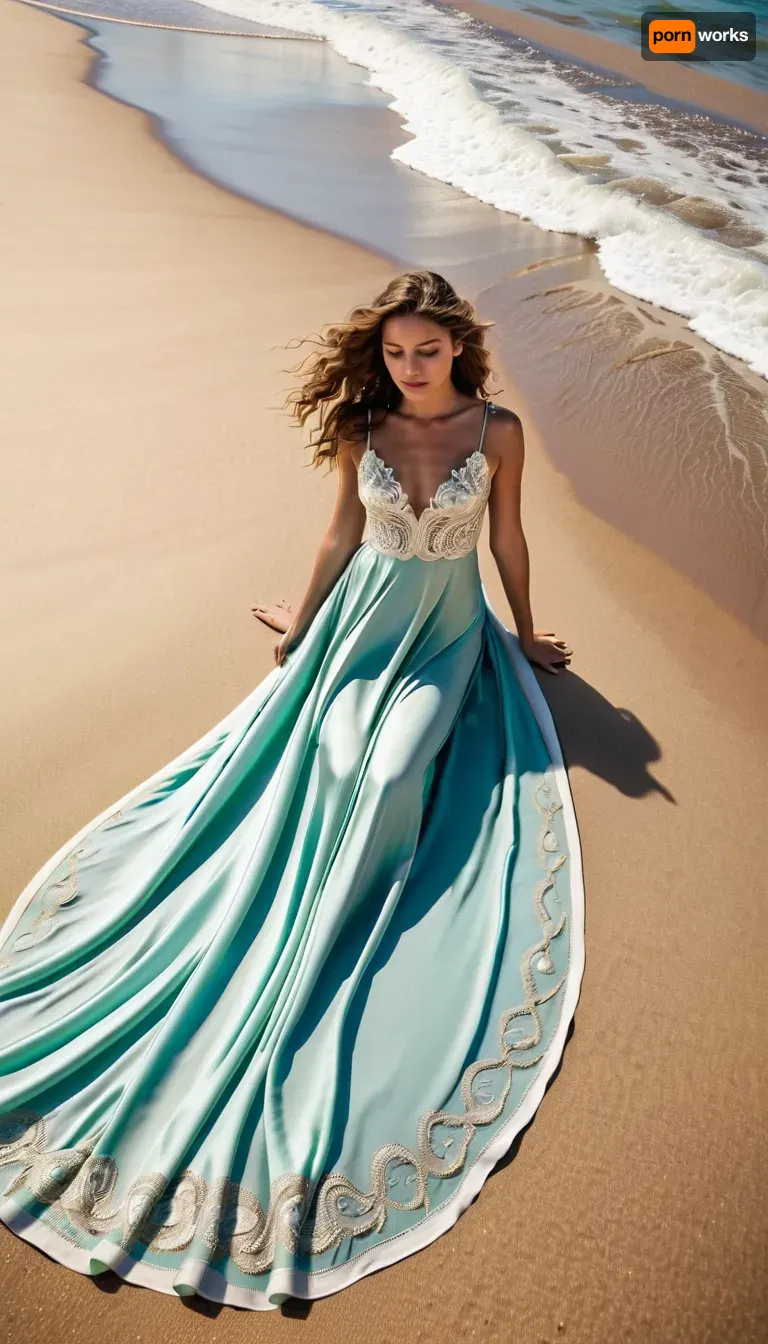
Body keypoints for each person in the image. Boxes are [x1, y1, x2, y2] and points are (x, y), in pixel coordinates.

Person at [0, 271, 585, 1312]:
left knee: (394, 768)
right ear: (383, 355)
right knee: (322, 755)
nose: (413, 367)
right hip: (359, 629)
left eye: (429, 351)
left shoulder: (498, 433)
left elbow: (505, 542)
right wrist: (306, 628)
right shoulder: (363, 427)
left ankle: (339, 926)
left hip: (444, 636)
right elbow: (338, 537)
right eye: (399, 352)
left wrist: (527, 634)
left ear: (457, 348)